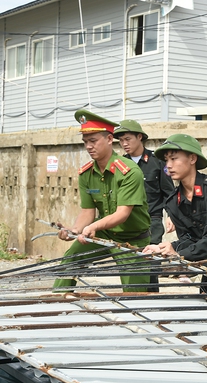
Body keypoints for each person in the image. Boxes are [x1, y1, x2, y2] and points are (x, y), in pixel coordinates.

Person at [142, 134, 207, 304]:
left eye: (174, 158)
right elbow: (189, 238)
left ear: (192, 158)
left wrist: (179, 254)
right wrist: (164, 248)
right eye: (166, 160)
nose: (168, 165)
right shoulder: (173, 202)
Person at [53, 110, 152, 292]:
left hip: (132, 239)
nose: (89, 147)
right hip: (104, 234)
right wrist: (75, 231)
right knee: (71, 257)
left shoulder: (129, 171)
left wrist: (93, 227)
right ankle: (60, 299)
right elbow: (87, 212)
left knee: (135, 295)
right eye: (85, 142)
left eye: (93, 141)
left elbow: (123, 213)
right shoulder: (86, 173)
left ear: (108, 139)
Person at [114, 120, 175, 292]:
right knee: (129, 262)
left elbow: (169, 192)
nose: (124, 144)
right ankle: (132, 296)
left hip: (152, 221)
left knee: (150, 260)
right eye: (121, 141)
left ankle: (151, 297)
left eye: (128, 139)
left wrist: (171, 215)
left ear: (139, 137)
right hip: (128, 220)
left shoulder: (157, 162)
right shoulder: (120, 164)